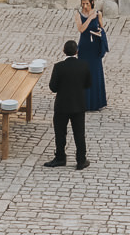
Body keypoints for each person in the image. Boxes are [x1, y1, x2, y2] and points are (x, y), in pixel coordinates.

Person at [44, 39, 93, 169]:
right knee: (79, 133)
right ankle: (81, 160)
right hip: (78, 105)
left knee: (60, 133)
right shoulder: (84, 65)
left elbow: (53, 87)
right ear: (77, 51)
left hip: (62, 105)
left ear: (63, 51)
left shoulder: (59, 67)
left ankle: (60, 157)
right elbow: (88, 84)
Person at [75, 0, 108, 110]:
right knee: (84, 73)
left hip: (94, 48)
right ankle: (84, 103)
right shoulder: (78, 14)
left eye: (87, 3)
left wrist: (100, 32)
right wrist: (89, 18)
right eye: (83, 3)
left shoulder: (98, 14)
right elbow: (81, 29)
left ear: (92, 2)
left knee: (95, 73)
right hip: (84, 47)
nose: (84, 6)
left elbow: (102, 27)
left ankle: (97, 103)